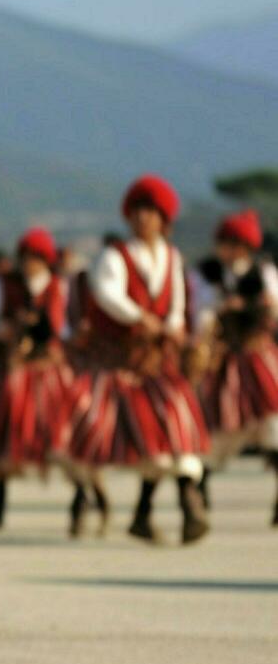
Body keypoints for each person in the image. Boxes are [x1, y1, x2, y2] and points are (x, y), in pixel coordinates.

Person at [64, 176, 210, 544]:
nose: (144, 219)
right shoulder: (114, 256)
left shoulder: (172, 257)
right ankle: (135, 508)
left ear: (163, 219)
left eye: (151, 212)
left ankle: (184, 501)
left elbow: (177, 301)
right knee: (112, 436)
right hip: (119, 364)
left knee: (177, 424)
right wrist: (140, 318)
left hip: (158, 362)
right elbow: (106, 294)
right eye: (138, 212)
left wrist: (173, 326)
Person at [0, 228, 79, 531]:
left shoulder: (61, 288)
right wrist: (0, 331)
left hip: (50, 372)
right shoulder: (0, 286)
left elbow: (68, 329)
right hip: (13, 371)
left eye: (36, 258)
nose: (30, 263)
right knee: (6, 435)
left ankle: (81, 495)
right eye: (26, 257)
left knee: (60, 435)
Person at [194, 209, 278, 524]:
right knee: (222, 428)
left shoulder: (264, 274)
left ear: (244, 246)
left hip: (259, 358)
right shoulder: (209, 275)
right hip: (226, 360)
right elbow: (201, 313)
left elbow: (274, 310)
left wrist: (251, 306)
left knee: (272, 423)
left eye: (231, 243)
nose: (224, 249)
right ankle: (199, 487)